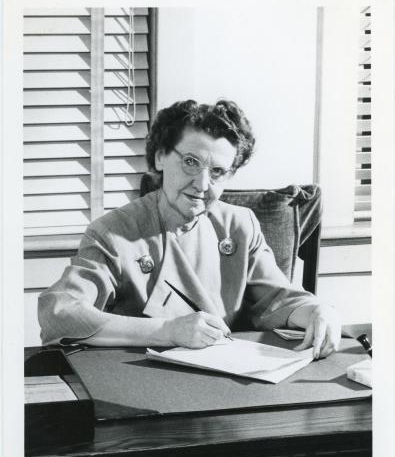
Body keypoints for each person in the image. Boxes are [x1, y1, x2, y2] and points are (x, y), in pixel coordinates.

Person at [38, 99, 341, 359]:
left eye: (218, 172)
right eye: (191, 162)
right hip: (141, 380)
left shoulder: (240, 225)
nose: (202, 184)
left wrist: (316, 311)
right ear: (159, 157)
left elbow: (280, 300)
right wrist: (166, 330)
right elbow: (60, 314)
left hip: (226, 377)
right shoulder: (113, 233)